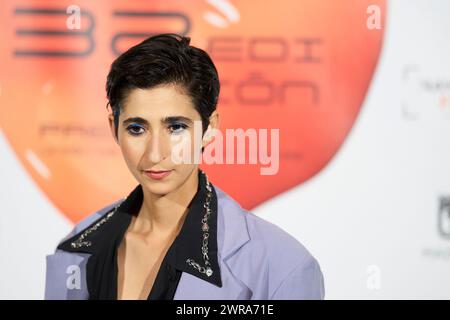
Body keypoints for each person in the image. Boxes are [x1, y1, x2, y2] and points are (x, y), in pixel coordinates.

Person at [44, 33, 325, 300]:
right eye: (137, 128)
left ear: (210, 128)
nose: (155, 153)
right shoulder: (77, 248)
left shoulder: (281, 266)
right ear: (114, 128)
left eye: (175, 127)